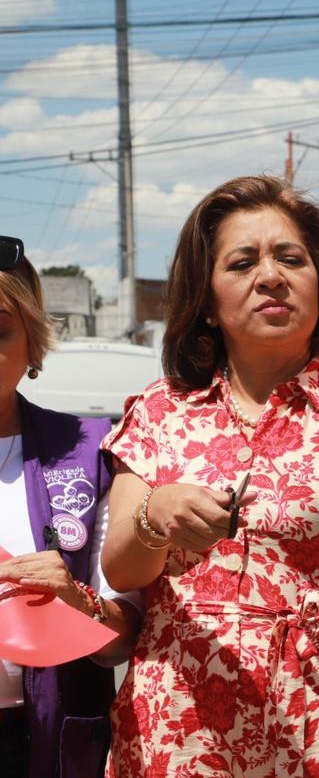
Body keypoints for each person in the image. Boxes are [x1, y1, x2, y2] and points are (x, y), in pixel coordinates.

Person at [99, 162, 319, 776]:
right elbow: (121, 565)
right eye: (242, 263)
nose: (271, 278)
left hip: (314, 727)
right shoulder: (159, 411)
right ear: (206, 305)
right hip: (175, 732)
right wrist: (156, 516)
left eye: (291, 259)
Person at [0, 236, 140, 778]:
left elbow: (124, 635)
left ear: (33, 340)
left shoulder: (89, 451)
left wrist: (76, 601)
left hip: (52, 738)